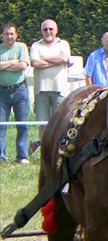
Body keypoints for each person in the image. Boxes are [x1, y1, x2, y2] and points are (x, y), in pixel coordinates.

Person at [29, 19, 71, 154]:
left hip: (60, 90)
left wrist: (44, 58)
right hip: (41, 90)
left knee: (60, 123)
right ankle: (45, 152)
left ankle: (57, 150)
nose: (48, 31)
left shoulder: (63, 44)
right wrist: (55, 60)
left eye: (51, 29)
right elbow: (35, 62)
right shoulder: (36, 45)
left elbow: (64, 59)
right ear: (41, 31)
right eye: (45, 29)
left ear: (56, 30)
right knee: (43, 123)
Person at [0, 23, 30, 164]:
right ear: (3, 35)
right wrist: (13, 61)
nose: (9, 36)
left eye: (12, 34)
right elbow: (17, 64)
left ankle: (22, 156)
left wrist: (3, 65)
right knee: (1, 125)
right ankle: (1, 156)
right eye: (6, 34)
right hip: (2, 92)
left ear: (16, 35)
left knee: (23, 124)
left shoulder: (21, 47)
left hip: (20, 90)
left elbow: (23, 66)